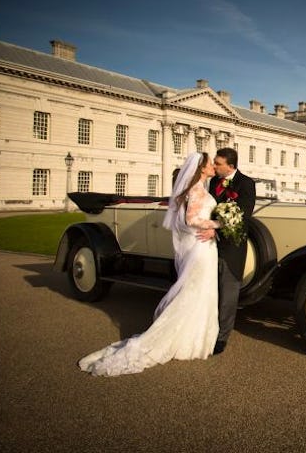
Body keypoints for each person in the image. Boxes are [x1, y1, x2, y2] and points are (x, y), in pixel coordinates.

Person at [78, 152, 221, 376]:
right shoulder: (196, 190)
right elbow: (191, 220)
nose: (213, 166)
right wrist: (218, 223)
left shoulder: (198, 189)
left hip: (202, 245)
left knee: (201, 292)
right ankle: (183, 339)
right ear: (201, 168)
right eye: (210, 163)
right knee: (195, 292)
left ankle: (194, 338)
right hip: (201, 247)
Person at [197, 147, 256, 355]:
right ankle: (207, 329)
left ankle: (221, 337)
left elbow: (243, 216)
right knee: (210, 290)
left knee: (228, 294)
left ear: (230, 166)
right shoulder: (213, 182)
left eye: (218, 163)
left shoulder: (246, 184)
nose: (214, 165)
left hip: (232, 248)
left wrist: (216, 228)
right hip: (208, 245)